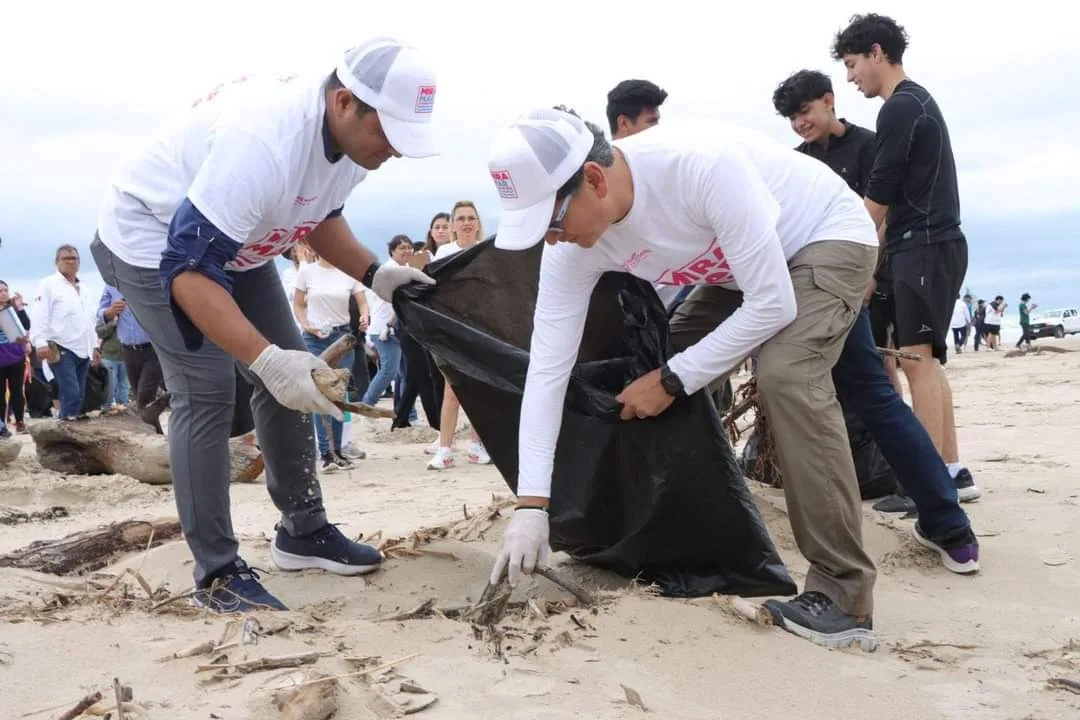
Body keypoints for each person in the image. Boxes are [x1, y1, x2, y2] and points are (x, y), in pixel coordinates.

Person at [486, 107, 889, 649]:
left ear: (594, 180)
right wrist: (532, 505)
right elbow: (547, 370)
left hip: (822, 235)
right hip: (735, 267)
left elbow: (771, 303)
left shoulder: (698, 167)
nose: (550, 241)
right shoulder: (571, 248)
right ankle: (687, 532)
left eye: (551, 223)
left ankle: (844, 595)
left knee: (786, 375)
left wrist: (673, 381)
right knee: (653, 358)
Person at [89, 37, 438, 613]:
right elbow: (187, 270)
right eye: (392, 133)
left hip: (235, 244)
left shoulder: (354, 147)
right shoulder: (262, 142)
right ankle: (218, 573)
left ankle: (302, 531)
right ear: (346, 102)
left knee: (292, 367)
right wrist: (267, 361)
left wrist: (377, 274)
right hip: (155, 242)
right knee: (206, 387)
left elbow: (318, 215)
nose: (397, 151)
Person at [773, 69, 984, 519]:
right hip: (833, 278)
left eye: (804, 112)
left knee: (905, 363)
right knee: (898, 364)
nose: (799, 123)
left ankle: (931, 472)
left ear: (829, 101)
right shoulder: (799, 161)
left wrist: (867, 275)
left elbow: (882, 209)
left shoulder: (871, 143)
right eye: (791, 118)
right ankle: (938, 468)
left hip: (880, 268)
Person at [833, 13, 977, 496]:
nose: (850, 76)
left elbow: (879, 197)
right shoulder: (920, 101)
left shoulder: (898, 108)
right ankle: (953, 472)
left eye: (852, 64)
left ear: (877, 52)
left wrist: (837, 252)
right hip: (932, 244)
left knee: (916, 362)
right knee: (926, 362)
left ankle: (930, 487)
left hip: (924, 243)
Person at [293, 244, 370, 471]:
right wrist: (306, 324)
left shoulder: (348, 272)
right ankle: (326, 452)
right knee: (320, 393)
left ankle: (338, 449)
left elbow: (362, 301)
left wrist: (365, 316)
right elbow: (298, 304)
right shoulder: (307, 271)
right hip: (315, 337)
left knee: (339, 394)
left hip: (342, 337)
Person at [30, 246, 97, 420]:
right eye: (66, 258)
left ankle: (68, 430)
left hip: (84, 347)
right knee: (71, 393)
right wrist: (40, 342)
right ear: (57, 262)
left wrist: (95, 346)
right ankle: (63, 435)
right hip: (61, 347)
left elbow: (91, 320)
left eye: (74, 258)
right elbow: (39, 313)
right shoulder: (48, 284)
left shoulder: (85, 289)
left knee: (80, 395)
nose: (70, 261)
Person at [0, 281, 31, 434]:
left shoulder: (12, 310)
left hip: (16, 357)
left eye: (6, 290)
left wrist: (20, 307)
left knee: (17, 392)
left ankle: (19, 421)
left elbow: (26, 325)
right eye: (0, 291)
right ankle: (2, 426)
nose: (4, 293)